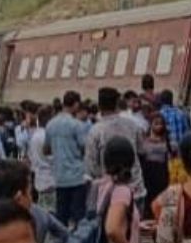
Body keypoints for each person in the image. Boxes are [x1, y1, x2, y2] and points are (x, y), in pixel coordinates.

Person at [86, 88, 148, 207]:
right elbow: (142, 151)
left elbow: (92, 167)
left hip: (110, 194)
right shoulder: (132, 125)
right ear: (117, 104)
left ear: (99, 107)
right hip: (136, 188)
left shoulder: (95, 131)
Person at [43, 91, 90, 226]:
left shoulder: (51, 124)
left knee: (61, 216)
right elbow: (84, 147)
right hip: (76, 176)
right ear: (75, 104)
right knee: (78, 216)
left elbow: (46, 149)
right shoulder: (76, 125)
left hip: (60, 177)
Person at [138, 115, 172, 219]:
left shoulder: (167, 140)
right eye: (156, 123)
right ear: (151, 125)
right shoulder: (144, 140)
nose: (159, 126)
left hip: (161, 172)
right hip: (148, 172)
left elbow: (170, 157)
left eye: (161, 124)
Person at [24, 108, 55, 211]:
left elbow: (31, 158)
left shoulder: (35, 136)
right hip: (52, 179)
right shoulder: (49, 136)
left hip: (39, 179)